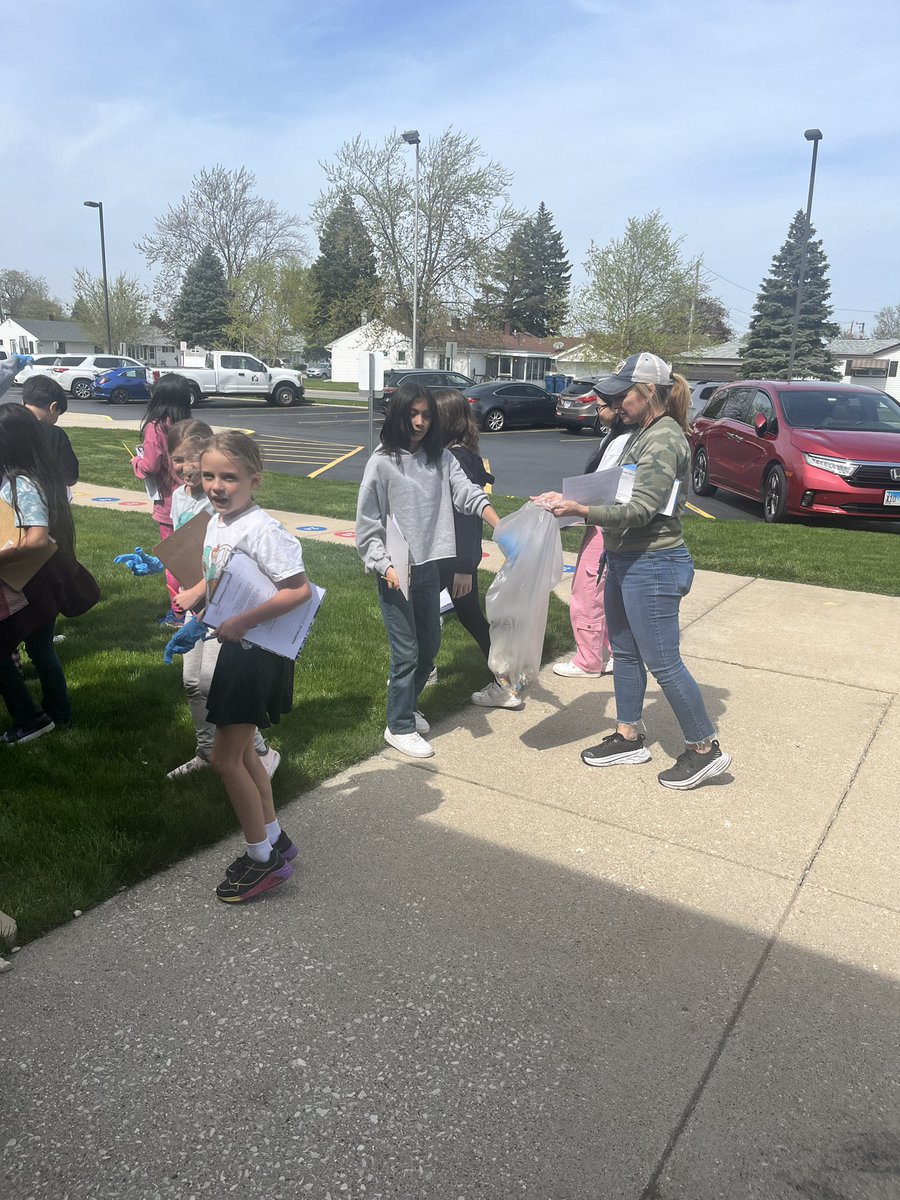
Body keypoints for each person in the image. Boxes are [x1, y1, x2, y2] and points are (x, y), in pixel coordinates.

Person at [535, 352, 732, 790]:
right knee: (623, 652)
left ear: (648, 393)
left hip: (654, 564)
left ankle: (703, 749)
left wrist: (580, 509)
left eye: (625, 394)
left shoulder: (663, 439)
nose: (619, 402)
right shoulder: (643, 433)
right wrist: (569, 502)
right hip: (626, 558)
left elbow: (642, 509)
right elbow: (622, 493)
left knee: (663, 661)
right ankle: (629, 736)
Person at [172, 432, 310, 904]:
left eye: (229, 477)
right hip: (239, 647)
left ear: (254, 480)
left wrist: (241, 620)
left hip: (257, 654)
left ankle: (260, 860)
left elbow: (298, 591)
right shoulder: (218, 520)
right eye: (209, 475)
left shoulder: (261, 530)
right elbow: (222, 575)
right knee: (246, 751)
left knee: (224, 758)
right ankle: (272, 840)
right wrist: (197, 596)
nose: (216, 485)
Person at [355, 379, 502, 759]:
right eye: (412, 414)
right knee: (406, 651)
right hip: (396, 571)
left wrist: (497, 523)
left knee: (430, 645)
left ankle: (408, 705)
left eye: (425, 416)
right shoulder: (382, 463)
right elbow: (368, 524)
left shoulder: (443, 459)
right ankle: (398, 725)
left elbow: (467, 494)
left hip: (428, 567)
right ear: (398, 416)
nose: (419, 422)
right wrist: (383, 565)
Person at [164, 420, 280, 782]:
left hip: (225, 611)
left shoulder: (231, 513)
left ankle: (260, 750)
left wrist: (204, 596)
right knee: (192, 682)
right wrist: (164, 564)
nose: (188, 470)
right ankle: (207, 750)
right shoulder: (190, 502)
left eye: (193, 461)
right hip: (198, 604)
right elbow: (194, 554)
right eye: (177, 460)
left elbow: (230, 566)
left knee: (215, 685)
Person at [431, 388, 523, 712]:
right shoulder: (459, 453)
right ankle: (505, 681)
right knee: (448, 614)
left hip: (454, 559)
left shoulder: (456, 459)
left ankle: (505, 684)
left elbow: (467, 517)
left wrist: (465, 567)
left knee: (450, 615)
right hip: (451, 556)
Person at [0, 406, 77, 743]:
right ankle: (57, 714)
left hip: (27, 582)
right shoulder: (38, 472)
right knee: (41, 647)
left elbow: (37, 538)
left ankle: (34, 719)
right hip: (39, 579)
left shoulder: (21, 482)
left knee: (24, 650)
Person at [552, 398, 633, 679]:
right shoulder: (617, 438)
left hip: (603, 522)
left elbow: (602, 487)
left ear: (618, 407)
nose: (598, 412)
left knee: (588, 591)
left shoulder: (623, 441)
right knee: (606, 593)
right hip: (603, 521)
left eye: (600, 406)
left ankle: (588, 660)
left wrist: (574, 508)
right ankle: (614, 654)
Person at [131, 373, 192, 626]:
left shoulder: (155, 427)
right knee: (193, 556)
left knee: (173, 560)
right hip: (193, 501)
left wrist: (136, 462)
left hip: (168, 505)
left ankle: (178, 613)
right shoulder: (189, 426)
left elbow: (151, 465)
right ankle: (196, 606)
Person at [21, 375, 79, 487]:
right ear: (53, 407)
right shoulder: (54, 434)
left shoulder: (5, 424)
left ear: (23, 402)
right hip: (40, 497)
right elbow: (70, 476)